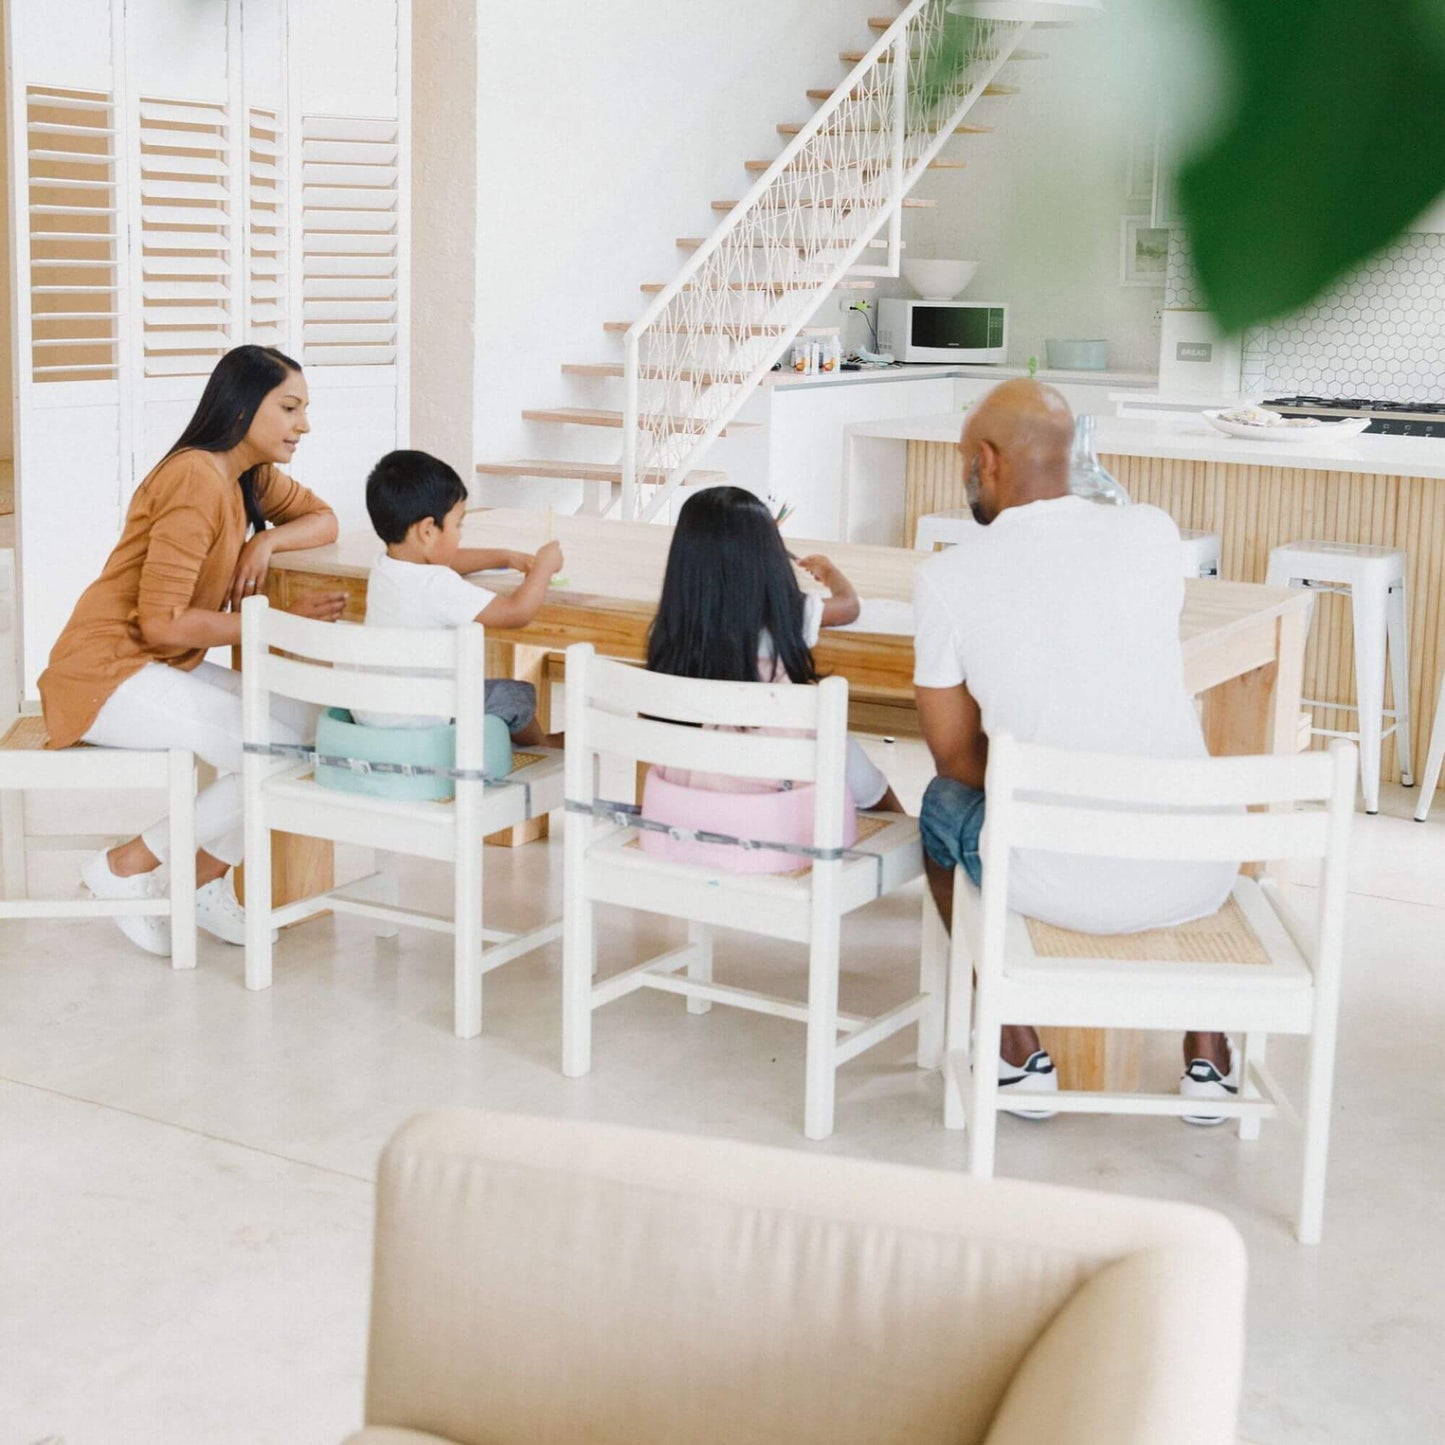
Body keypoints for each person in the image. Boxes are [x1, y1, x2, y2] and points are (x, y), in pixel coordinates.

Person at [912, 380, 1240, 1123]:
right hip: (1195, 876)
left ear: (987, 461)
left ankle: (1013, 1046)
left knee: (938, 812)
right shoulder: (1153, 532)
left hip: (1048, 881)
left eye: (965, 459)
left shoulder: (945, 579)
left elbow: (954, 761)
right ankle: (1208, 1052)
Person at [39, 344, 347, 957]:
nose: (303, 425)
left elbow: (325, 518)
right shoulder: (195, 479)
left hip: (151, 666)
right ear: (241, 408)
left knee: (315, 731)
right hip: (105, 673)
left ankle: (202, 882)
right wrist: (271, 622)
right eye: (289, 408)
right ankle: (124, 867)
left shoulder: (246, 474)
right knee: (275, 748)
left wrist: (265, 545)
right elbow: (163, 623)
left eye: (303, 410)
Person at [644, 485, 901, 842]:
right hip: (773, 807)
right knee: (850, 762)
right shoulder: (791, 614)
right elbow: (849, 606)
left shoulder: (672, 627)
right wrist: (831, 574)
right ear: (768, 558)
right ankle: (905, 843)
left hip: (690, 801)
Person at [358, 449, 563, 743]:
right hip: (425, 719)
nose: (460, 533)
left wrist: (503, 557)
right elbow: (516, 612)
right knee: (514, 695)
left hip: (378, 714)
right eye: (458, 524)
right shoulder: (436, 585)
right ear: (428, 530)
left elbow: (445, 561)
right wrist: (545, 566)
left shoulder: (386, 567)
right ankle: (544, 746)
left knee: (485, 692)